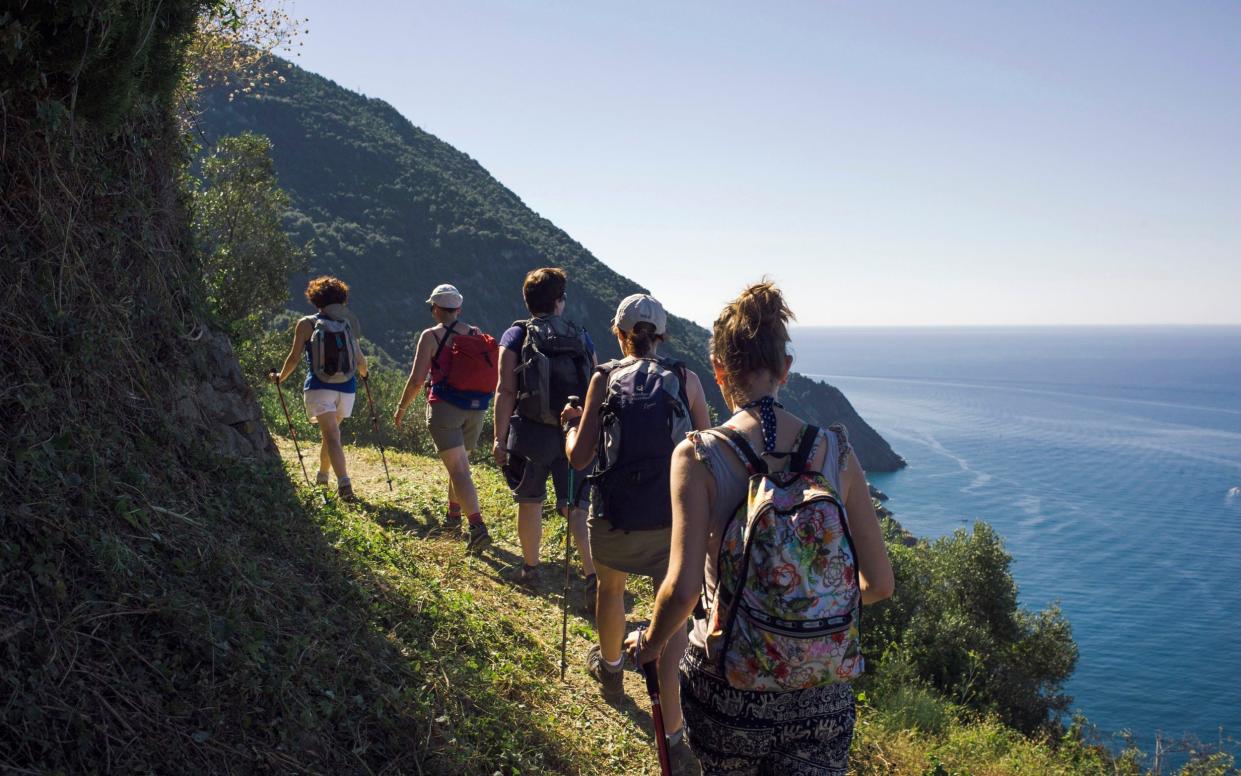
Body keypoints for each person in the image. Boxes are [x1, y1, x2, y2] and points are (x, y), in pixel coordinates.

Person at [625, 281, 895, 776]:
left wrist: (650, 641)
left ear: (719, 371)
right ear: (785, 369)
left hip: (729, 687)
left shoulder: (698, 455)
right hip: (823, 695)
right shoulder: (836, 451)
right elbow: (878, 584)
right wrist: (803, 612)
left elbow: (683, 591)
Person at [561, 293, 710, 775]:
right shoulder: (686, 379)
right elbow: (708, 452)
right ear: (662, 335)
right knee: (675, 625)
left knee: (611, 589)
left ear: (619, 333)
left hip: (614, 518)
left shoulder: (603, 378)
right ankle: (672, 731)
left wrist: (569, 427)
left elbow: (579, 458)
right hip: (672, 524)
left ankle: (609, 672)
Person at [492, 267, 597, 595]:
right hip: (573, 433)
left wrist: (498, 438)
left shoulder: (516, 336)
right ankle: (593, 577)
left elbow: (505, 391)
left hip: (530, 434)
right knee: (577, 506)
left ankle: (531, 570)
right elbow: (595, 384)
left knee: (531, 501)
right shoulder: (581, 335)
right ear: (559, 301)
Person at [393, 283, 496, 555]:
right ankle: (453, 517)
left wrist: (402, 408)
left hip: (446, 408)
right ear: (458, 309)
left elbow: (417, 380)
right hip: (477, 408)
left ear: (436, 309)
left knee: (459, 469)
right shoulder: (476, 333)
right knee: (459, 465)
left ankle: (477, 527)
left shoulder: (431, 336)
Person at [270, 275, 369, 501]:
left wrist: (279, 377)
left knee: (331, 435)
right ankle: (323, 476)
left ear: (316, 300)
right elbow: (360, 359)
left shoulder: (307, 324)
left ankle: (344, 485)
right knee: (331, 434)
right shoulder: (348, 324)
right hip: (346, 389)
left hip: (319, 387)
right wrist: (364, 375)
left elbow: (294, 358)